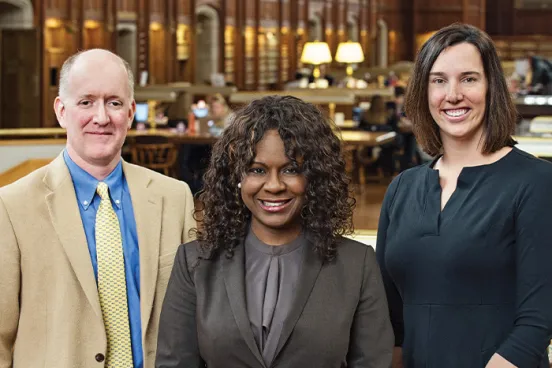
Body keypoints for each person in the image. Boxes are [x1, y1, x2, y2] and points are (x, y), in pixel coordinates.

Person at [155, 95, 394, 367]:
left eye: (291, 169)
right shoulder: (195, 262)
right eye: (257, 170)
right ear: (236, 177)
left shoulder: (357, 264)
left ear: (315, 177)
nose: (273, 185)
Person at [0, 49, 196, 368]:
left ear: (131, 112)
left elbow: (197, 317)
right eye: (86, 102)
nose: (101, 118)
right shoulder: (11, 206)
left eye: (114, 103)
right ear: (62, 111)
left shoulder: (174, 198)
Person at [376, 23, 552, 368]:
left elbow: (537, 322)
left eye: (468, 79)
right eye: (438, 81)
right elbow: (390, 319)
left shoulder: (537, 182)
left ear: (491, 88)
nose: (452, 94)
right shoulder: (402, 188)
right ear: (424, 93)